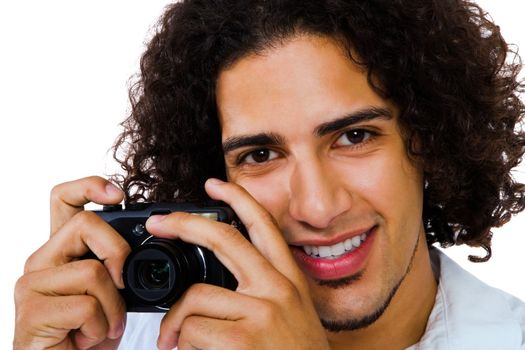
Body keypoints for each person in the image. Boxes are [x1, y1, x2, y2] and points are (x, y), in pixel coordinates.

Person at [13, 0, 525, 349]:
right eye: (260, 155)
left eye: (355, 137)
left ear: (430, 140)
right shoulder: (127, 339)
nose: (317, 208)